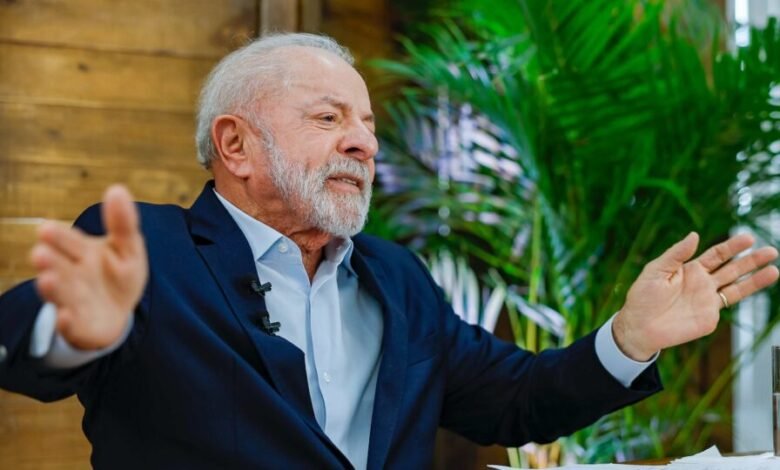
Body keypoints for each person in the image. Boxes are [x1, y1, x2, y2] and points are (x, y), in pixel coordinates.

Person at [0, 33, 777, 470]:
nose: (365, 144)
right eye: (329, 117)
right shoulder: (150, 252)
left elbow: (517, 400)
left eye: (368, 125)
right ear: (236, 146)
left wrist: (629, 339)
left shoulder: (398, 278)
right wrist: (72, 332)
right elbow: (15, 349)